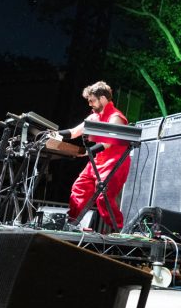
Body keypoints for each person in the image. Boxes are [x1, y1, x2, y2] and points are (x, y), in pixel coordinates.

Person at [55, 81, 131, 231]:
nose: (90, 104)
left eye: (92, 100)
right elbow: (74, 132)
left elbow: (109, 142)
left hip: (114, 162)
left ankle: (120, 230)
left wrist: (86, 152)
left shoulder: (116, 117)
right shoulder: (94, 117)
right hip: (97, 161)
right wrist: (54, 135)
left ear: (103, 98)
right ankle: (73, 226)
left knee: (104, 197)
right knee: (79, 188)